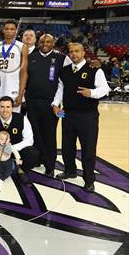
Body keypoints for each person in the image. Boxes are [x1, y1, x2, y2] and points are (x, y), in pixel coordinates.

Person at [52, 42, 109, 192]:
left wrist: (91, 93)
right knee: (67, 145)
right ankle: (70, 170)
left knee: (88, 149)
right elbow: (60, 89)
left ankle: (89, 179)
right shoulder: (64, 71)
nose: (74, 54)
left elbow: (105, 89)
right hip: (67, 114)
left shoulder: (94, 69)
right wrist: (55, 104)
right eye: (71, 52)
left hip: (87, 115)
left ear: (84, 52)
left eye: (77, 51)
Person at [24, 34, 70, 177]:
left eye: (48, 41)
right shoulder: (31, 57)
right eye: (42, 41)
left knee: (49, 134)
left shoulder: (62, 58)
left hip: (51, 104)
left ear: (53, 43)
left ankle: (49, 164)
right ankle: (36, 160)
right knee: (34, 133)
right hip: (32, 102)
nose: (45, 43)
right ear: (38, 43)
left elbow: (64, 83)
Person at [0, 96, 39, 184]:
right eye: (2, 107)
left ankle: (21, 170)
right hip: (0, 151)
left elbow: (29, 140)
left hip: (17, 150)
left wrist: (12, 148)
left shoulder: (22, 119)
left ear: (12, 108)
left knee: (33, 153)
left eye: (8, 107)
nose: (5, 110)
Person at [0, 20, 28, 113]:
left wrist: (20, 94)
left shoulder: (22, 46)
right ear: (3, 30)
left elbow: (23, 72)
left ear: (16, 31)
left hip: (13, 90)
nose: (9, 31)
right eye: (6, 29)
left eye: (12, 29)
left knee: (13, 121)